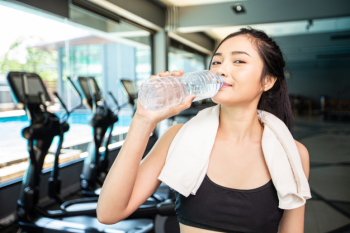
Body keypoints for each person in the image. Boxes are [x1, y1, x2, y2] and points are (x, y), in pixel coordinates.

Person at [97, 27, 310, 233]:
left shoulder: (293, 154)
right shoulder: (178, 137)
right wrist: (143, 120)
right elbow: (108, 213)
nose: (220, 70)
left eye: (238, 61)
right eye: (216, 61)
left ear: (268, 80)